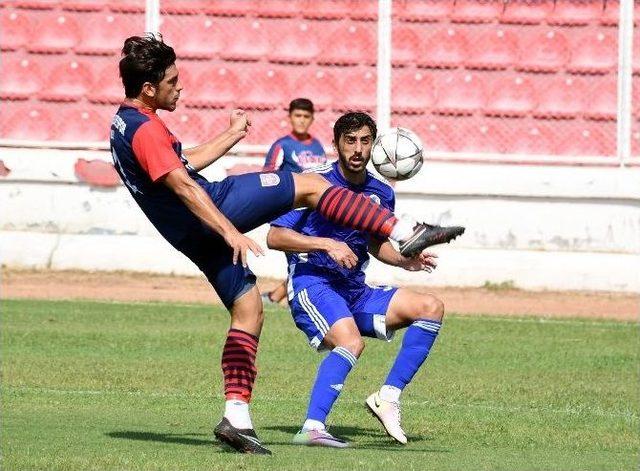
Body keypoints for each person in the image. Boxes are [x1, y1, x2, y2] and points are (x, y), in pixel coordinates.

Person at [110, 34, 464, 455]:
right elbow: (186, 186)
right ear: (149, 87)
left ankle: (236, 417)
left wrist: (230, 136)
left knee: (249, 311)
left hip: (187, 234)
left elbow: (179, 167)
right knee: (312, 185)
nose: (179, 87)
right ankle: (405, 230)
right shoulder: (147, 129)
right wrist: (229, 230)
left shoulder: (125, 123)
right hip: (212, 209)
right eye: (172, 81)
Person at [267, 112, 457, 448]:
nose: (358, 149)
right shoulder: (313, 182)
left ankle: (388, 397)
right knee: (351, 342)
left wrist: (405, 260)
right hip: (314, 283)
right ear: (336, 144)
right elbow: (276, 236)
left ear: (374, 145)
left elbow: (373, 242)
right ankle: (311, 428)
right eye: (350, 141)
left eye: (365, 141)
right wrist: (326, 243)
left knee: (431, 307)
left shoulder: (381, 191)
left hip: (354, 289)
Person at [261, 98, 327, 306]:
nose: (301, 121)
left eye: (306, 116)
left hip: (313, 212)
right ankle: (292, 298)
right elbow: (268, 176)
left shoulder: (317, 146)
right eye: (298, 116)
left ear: (312, 118)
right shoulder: (282, 146)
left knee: (308, 258)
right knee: (297, 257)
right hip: (290, 211)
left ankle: (279, 296)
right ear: (290, 117)